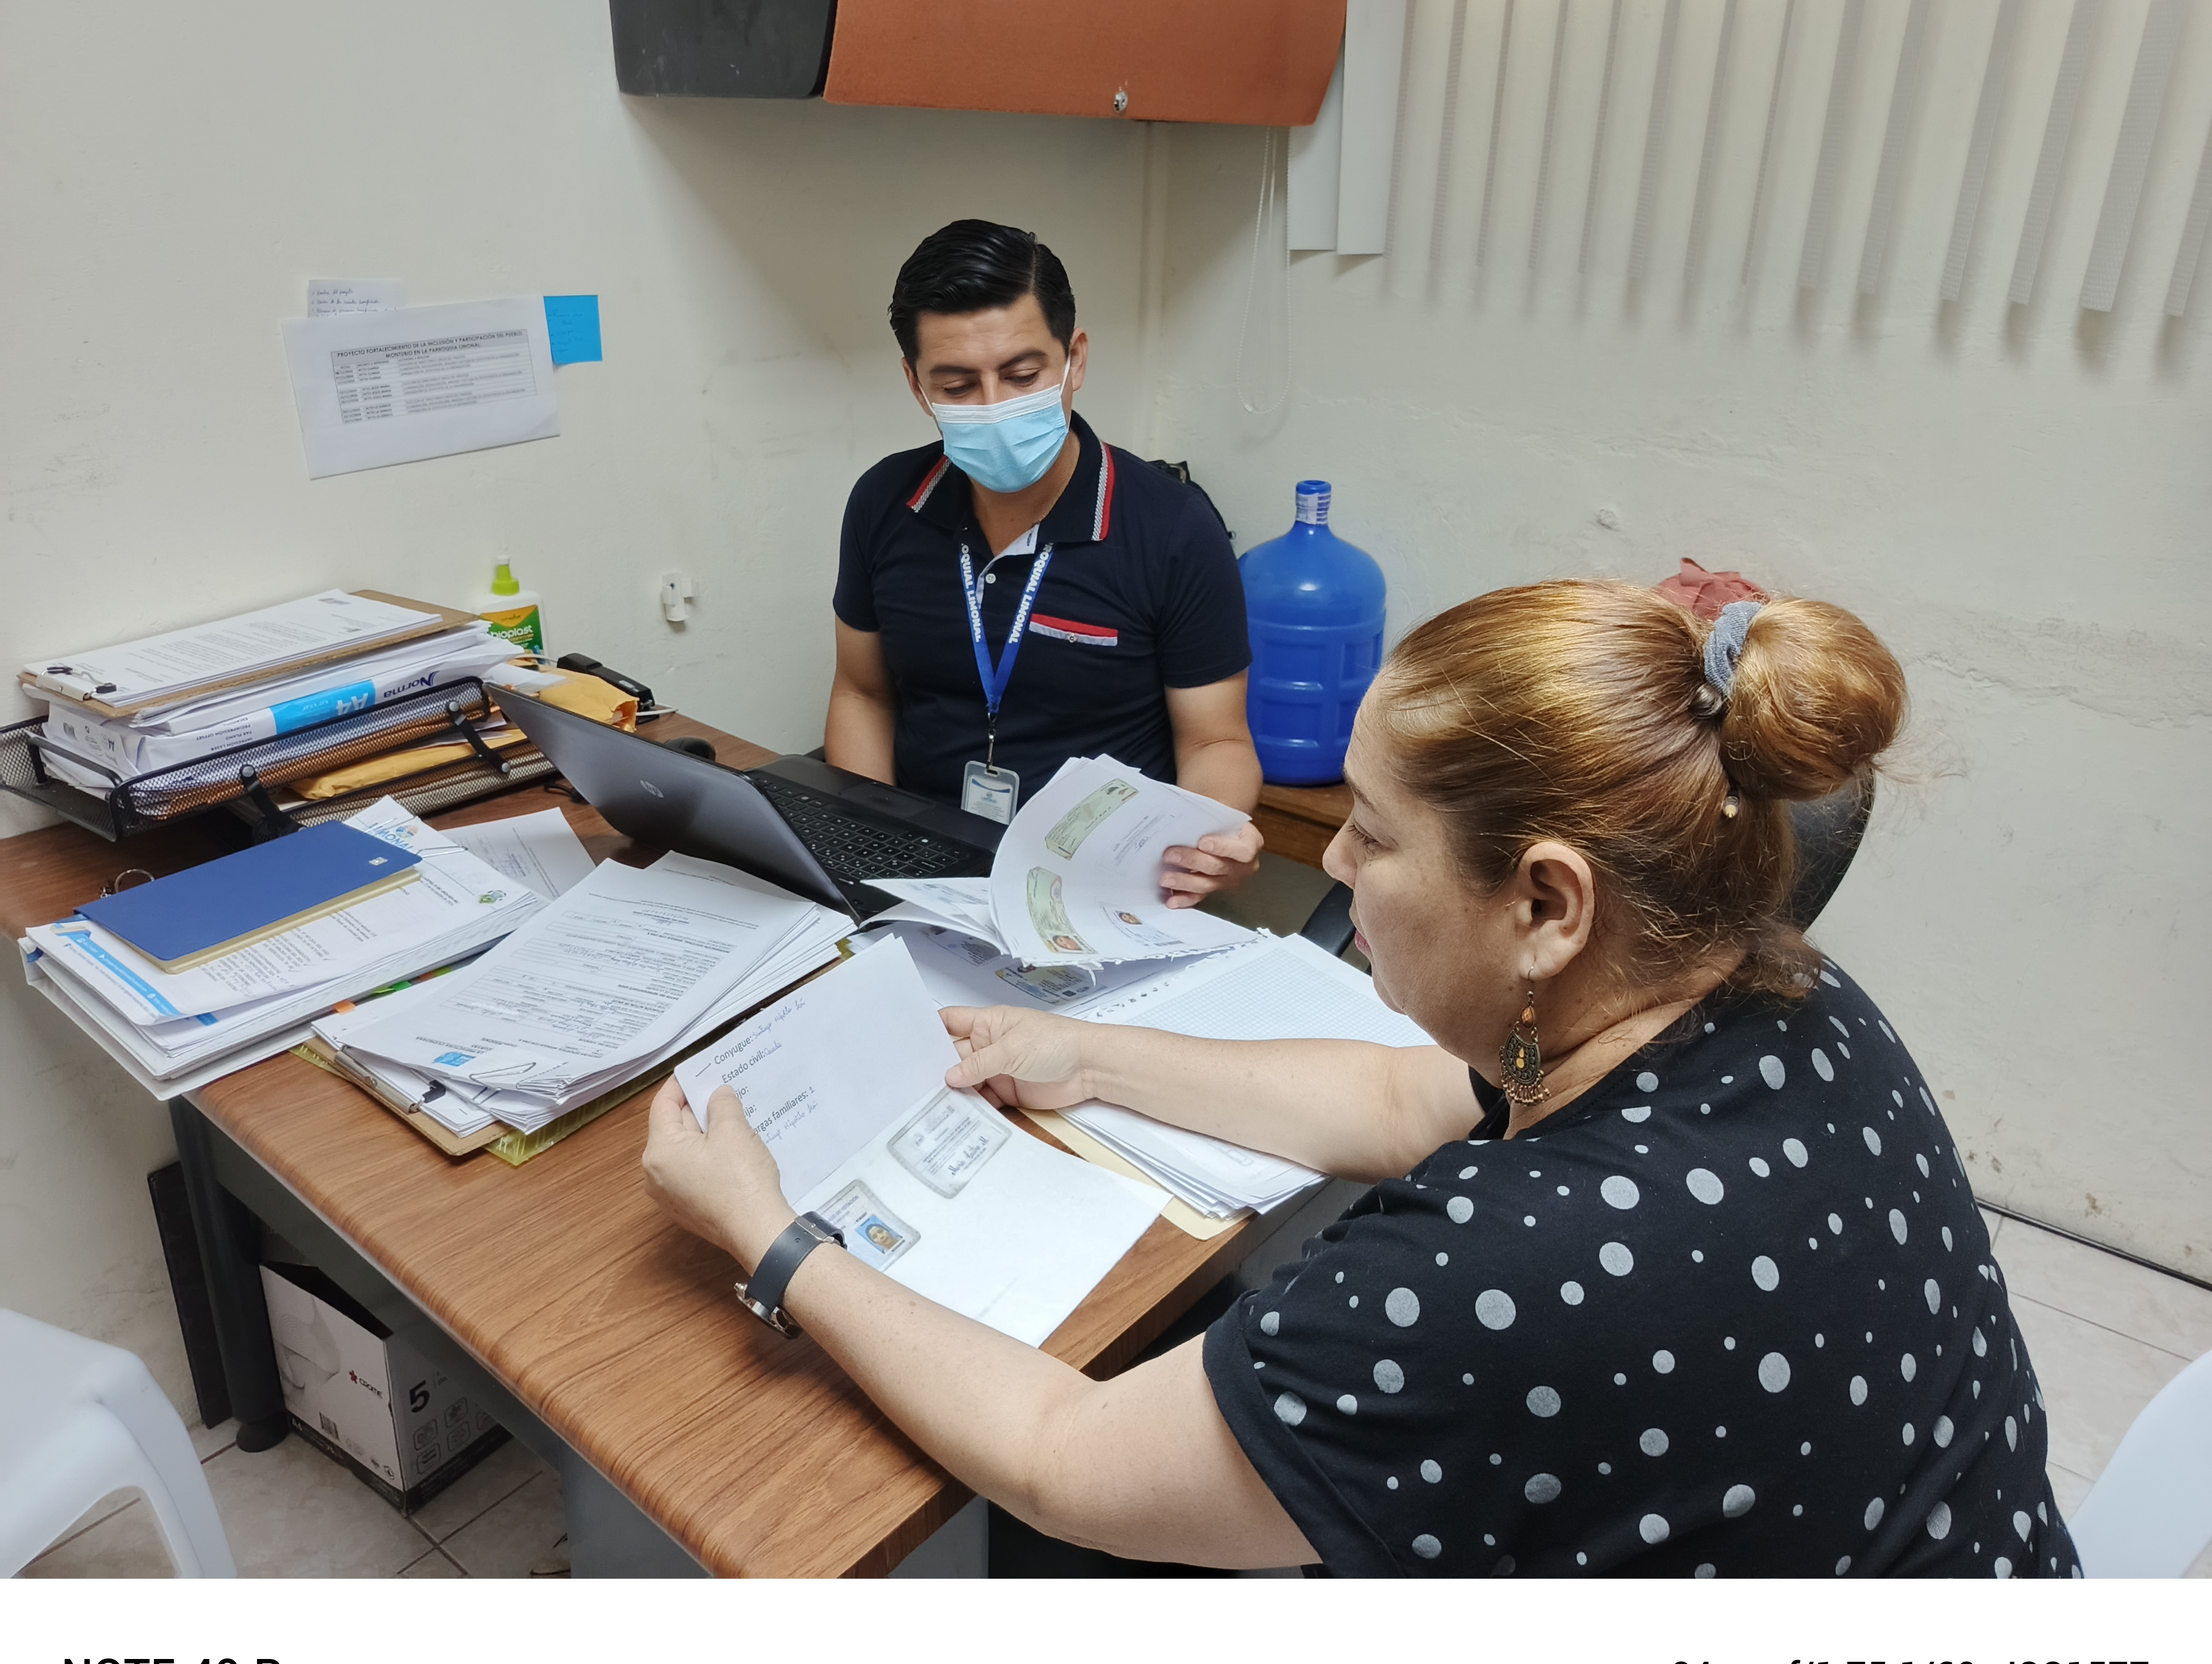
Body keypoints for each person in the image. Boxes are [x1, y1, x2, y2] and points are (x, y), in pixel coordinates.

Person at [644, 580, 2076, 1578]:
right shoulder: (1778, 996)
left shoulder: (1502, 1275)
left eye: (1373, 838)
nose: (1328, 861)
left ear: (1546, 905)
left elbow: (1060, 1456)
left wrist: (773, 1238)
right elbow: (1401, 1103)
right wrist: (1085, 1053)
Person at [827, 219, 1261, 906]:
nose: (995, 408)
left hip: (1100, 885)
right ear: (915, 384)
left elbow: (1215, 742)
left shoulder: (1173, 529)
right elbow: (862, 692)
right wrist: (867, 848)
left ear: (1073, 360)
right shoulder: (885, 501)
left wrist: (1203, 845)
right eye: (957, 386)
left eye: (1022, 375)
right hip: (922, 868)